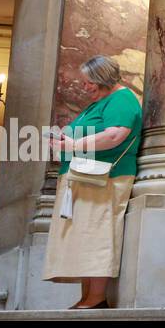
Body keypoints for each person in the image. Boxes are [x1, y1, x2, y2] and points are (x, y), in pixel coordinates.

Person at [43, 56, 143, 309]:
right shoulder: (98, 103)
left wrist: (74, 144)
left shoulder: (122, 99)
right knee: (83, 236)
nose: (84, 87)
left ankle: (97, 298)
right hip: (84, 177)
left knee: (97, 234)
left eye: (89, 82)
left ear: (103, 79)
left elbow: (114, 135)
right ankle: (87, 297)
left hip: (105, 178)